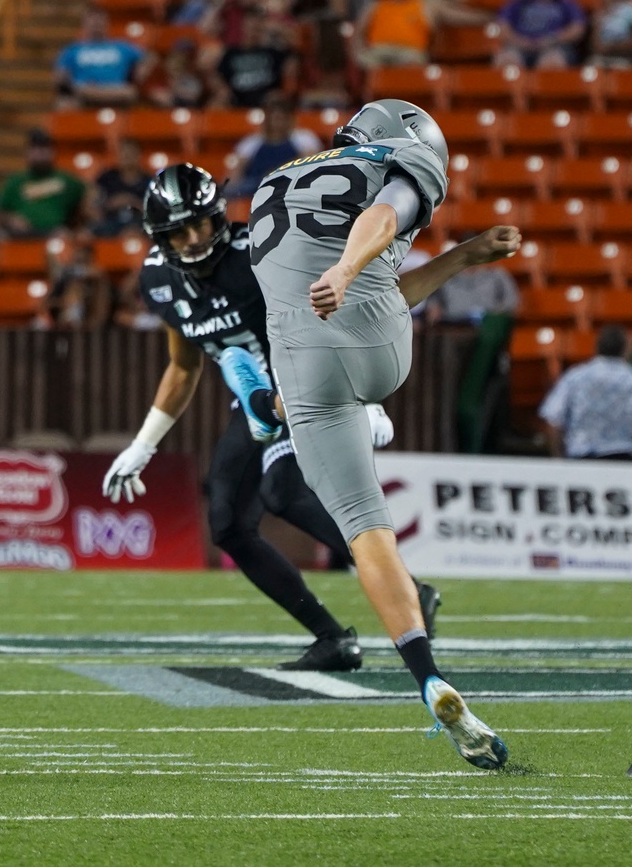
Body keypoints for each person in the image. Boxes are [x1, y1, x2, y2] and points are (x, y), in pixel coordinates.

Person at [242, 98, 519, 766]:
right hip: (371, 336)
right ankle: (372, 408)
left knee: (366, 532)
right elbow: (386, 212)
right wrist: (343, 269)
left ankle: (428, 678)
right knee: (372, 312)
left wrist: (459, 256)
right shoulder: (394, 158)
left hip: (301, 364)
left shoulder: (272, 180)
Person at [101, 163, 441, 669]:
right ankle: (332, 637)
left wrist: (364, 397)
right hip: (257, 401)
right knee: (228, 525)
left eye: (201, 224)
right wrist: (144, 444)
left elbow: (339, 307)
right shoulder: (157, 279)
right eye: (180, 230)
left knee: (281, 489)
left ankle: (403, 588)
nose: (194, 239)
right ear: (160, 236)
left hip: (310, 380)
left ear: (219, 217)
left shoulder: (262, 253)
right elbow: (184, 363)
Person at [539, 325, 632, 461]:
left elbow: (554, 421)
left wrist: (560, 458)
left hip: (582, 461)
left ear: (596, 347)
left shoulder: (574, 378)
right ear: (626, 349)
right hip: (625, 461)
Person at [354, 0, 488, 68]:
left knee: (410, 64)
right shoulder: (376, 4)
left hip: (410, 55)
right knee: (365, 61)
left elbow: (458, 16)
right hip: (379, 52)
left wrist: (488, 18)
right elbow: (359, 33)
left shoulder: (427, 5)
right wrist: (359, 51)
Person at [0, 128, 85, 239]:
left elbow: (86, 200)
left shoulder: (66, 180)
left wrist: (76, 229)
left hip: (55, 234)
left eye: (44, 148)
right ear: (27, 152)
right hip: (21, 235)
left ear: (52, 152)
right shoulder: (15, 182)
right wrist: (11, 219)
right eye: (35, 148)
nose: (40, 153)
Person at [54, 7, 153, 108]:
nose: (96, 26)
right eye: (93, 23)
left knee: (132, 93)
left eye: (100, 22)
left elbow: (150, 58)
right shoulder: (72, 50)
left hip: (117, 90)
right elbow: (60, 77)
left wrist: (139, 73)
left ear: (106, 24)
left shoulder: (121, 47)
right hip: (85, 91)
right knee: (64, 104)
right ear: (85, 24)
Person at [495, 0, 587, 70]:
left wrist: (553, 39)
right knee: (506, 60)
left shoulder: (567, 4)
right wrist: (521, 42)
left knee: (551, 63)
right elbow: (503, 28)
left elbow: (577, 30)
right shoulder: (516, 3)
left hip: (555, 47)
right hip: (519, 46)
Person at [227, 94, 321, 197]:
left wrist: (276, 173)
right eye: (274, 117)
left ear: (289, 118)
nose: (277, 123)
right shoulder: (251, 142)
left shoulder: (304, 138)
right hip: (257, 187)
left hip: (291, 186)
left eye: (281, 118)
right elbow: (235, 174)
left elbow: (311, 165)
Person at [207, 10, 301, 108]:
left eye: (256, 28)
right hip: (237, 100)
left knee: (277, 99)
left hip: (269, 102)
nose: (252, 31)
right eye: (250, 27)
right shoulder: (231, 54)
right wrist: (221, 88)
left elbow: (297, 44)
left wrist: (275, 27)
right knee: (216, 104)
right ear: (243, 28)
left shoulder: (272, 52)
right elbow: (217, 75)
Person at [426, 262, 520, 325]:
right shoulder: (445, 276)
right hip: (453, 326)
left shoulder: (496, 274)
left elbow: (511, 302)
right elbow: (432, 302)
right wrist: (433, 309)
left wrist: (496, 313)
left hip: (488, 326)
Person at [90, 138, 150, 237]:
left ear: (138, 155)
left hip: (138, 223)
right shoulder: (106, 179)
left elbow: (154, 213)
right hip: (110, 222)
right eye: (124, 153)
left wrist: (133, 203)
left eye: (131, 153)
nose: (127, 157)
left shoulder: (148, 182)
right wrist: (110, 204)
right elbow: (92, 203)